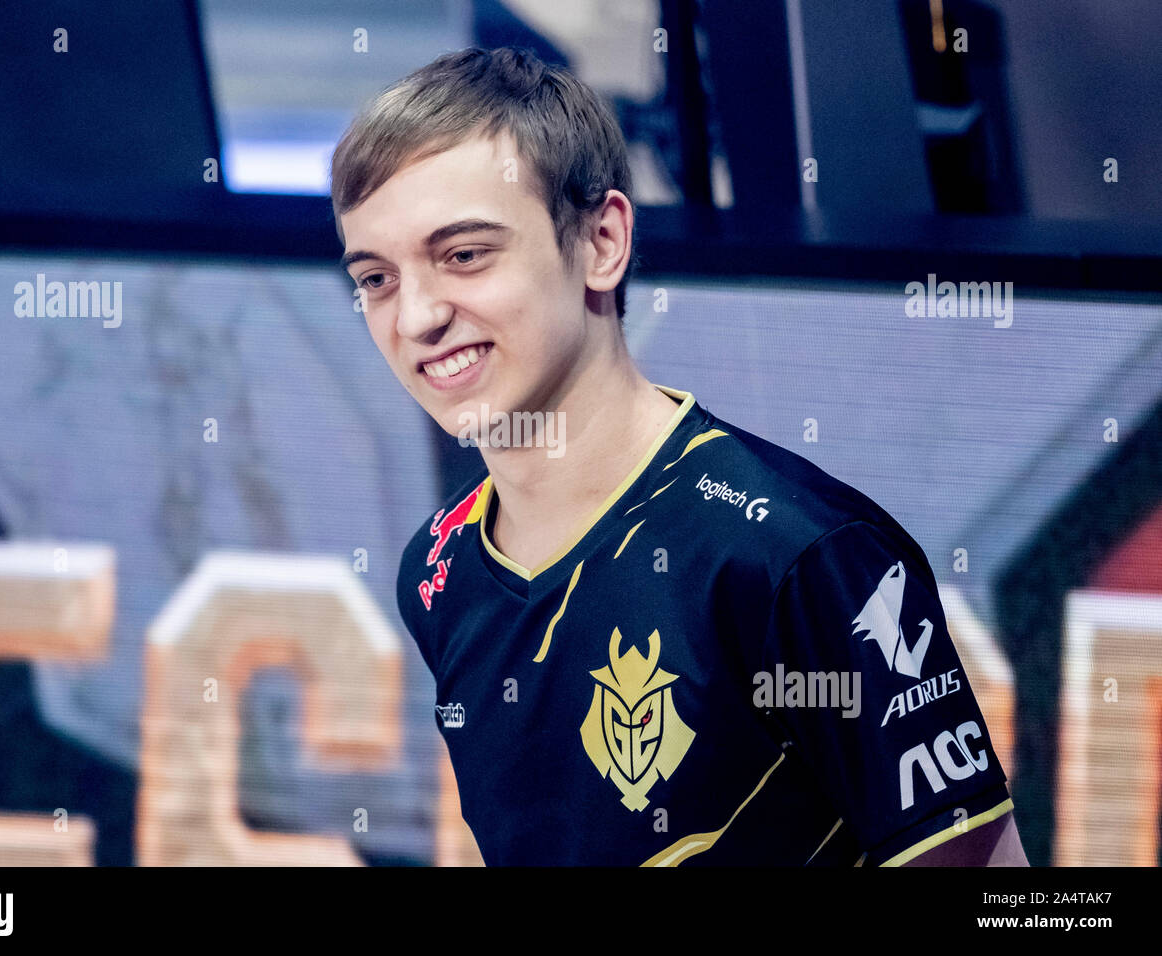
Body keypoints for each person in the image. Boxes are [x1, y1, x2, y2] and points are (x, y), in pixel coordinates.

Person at [331, 46, 1027, 866]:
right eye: (376, 278)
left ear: (602, 240)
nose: (415, 319)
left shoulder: (794, 555)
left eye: (464, 255)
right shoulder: (438, 569)